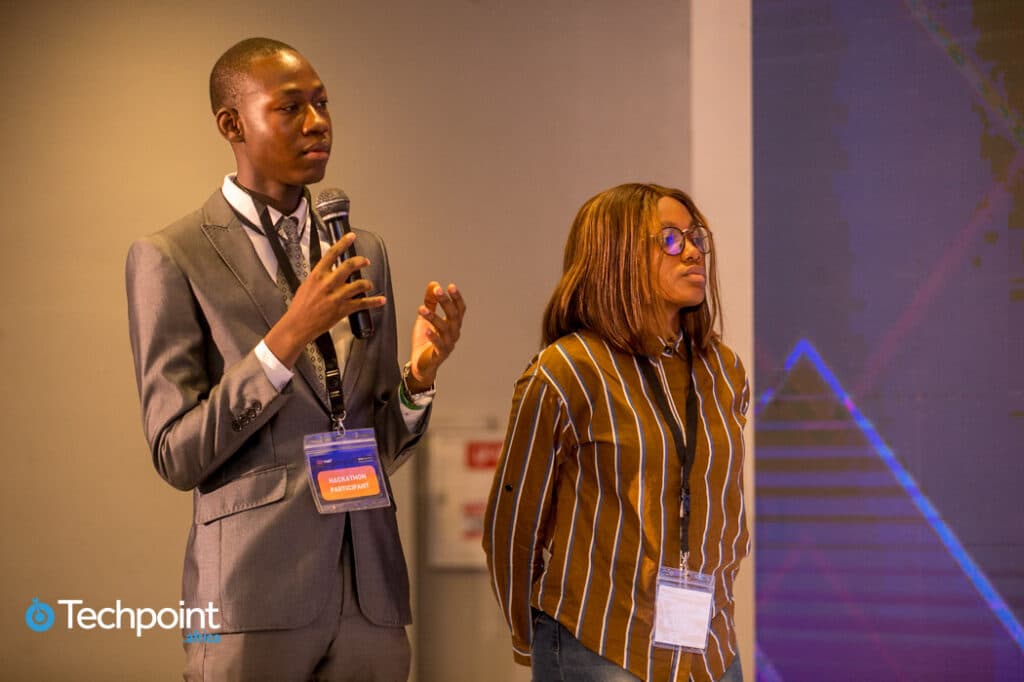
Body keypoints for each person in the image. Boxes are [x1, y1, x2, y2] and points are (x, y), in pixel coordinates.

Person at [126, 37, 465, 681]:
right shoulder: (171, 256)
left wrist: (419, 378)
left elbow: (372, 440)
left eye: (323, 103)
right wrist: (284, 342)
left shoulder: (360, 246)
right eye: (291, 108)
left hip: (370, 594)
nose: (318, 122)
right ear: (232, 124)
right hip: (248, 593)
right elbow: (177, 452)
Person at [483, 183, 749, 682]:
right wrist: (530, 634)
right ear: (616, 255)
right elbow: (513, 523)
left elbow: (724, 509)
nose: (693, 250)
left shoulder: (724, 371)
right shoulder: (565, 371)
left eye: (696, 237)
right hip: (602, 644)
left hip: (711, 647)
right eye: (670, 239)